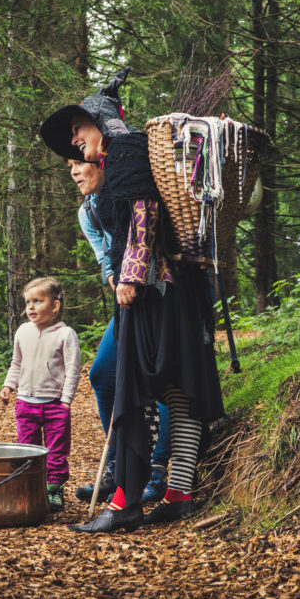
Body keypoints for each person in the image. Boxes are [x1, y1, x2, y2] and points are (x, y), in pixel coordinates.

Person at [39, 68, 226, 532]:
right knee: (179, 394)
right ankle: (178, 493)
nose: (76, 141)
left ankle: (125, 502)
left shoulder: (123, 150)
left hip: (151, 293)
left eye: (79, 130)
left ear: (100, 123)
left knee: (130, 395)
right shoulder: (129, 155)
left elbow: (144, 213)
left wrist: (130, 276)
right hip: (178, 292)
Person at [69, 158, 172, 507]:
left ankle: (157, 470)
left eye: (79, 163)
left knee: (162, 380)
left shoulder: (131, 192)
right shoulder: (88, 213)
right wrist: (118, 284)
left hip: (161, 292)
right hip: (126, 299)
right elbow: (105, 258)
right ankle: (119, 463)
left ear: (102, 164)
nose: (73, 171)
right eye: (69, 164)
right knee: (103, 375)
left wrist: (136, 278)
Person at [0, 277, 81, 512]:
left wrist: (66, 401)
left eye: (37, 301)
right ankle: (30, 488)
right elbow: (16, 363)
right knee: (27, 449)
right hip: (25, 403)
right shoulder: (23, 331)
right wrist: (8, 387)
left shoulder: (65, 334)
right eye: (27, 302)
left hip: (54, 404)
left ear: (54, 306)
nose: (31, 307)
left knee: (56, 450)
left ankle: (54, 491)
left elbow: (72, 369)